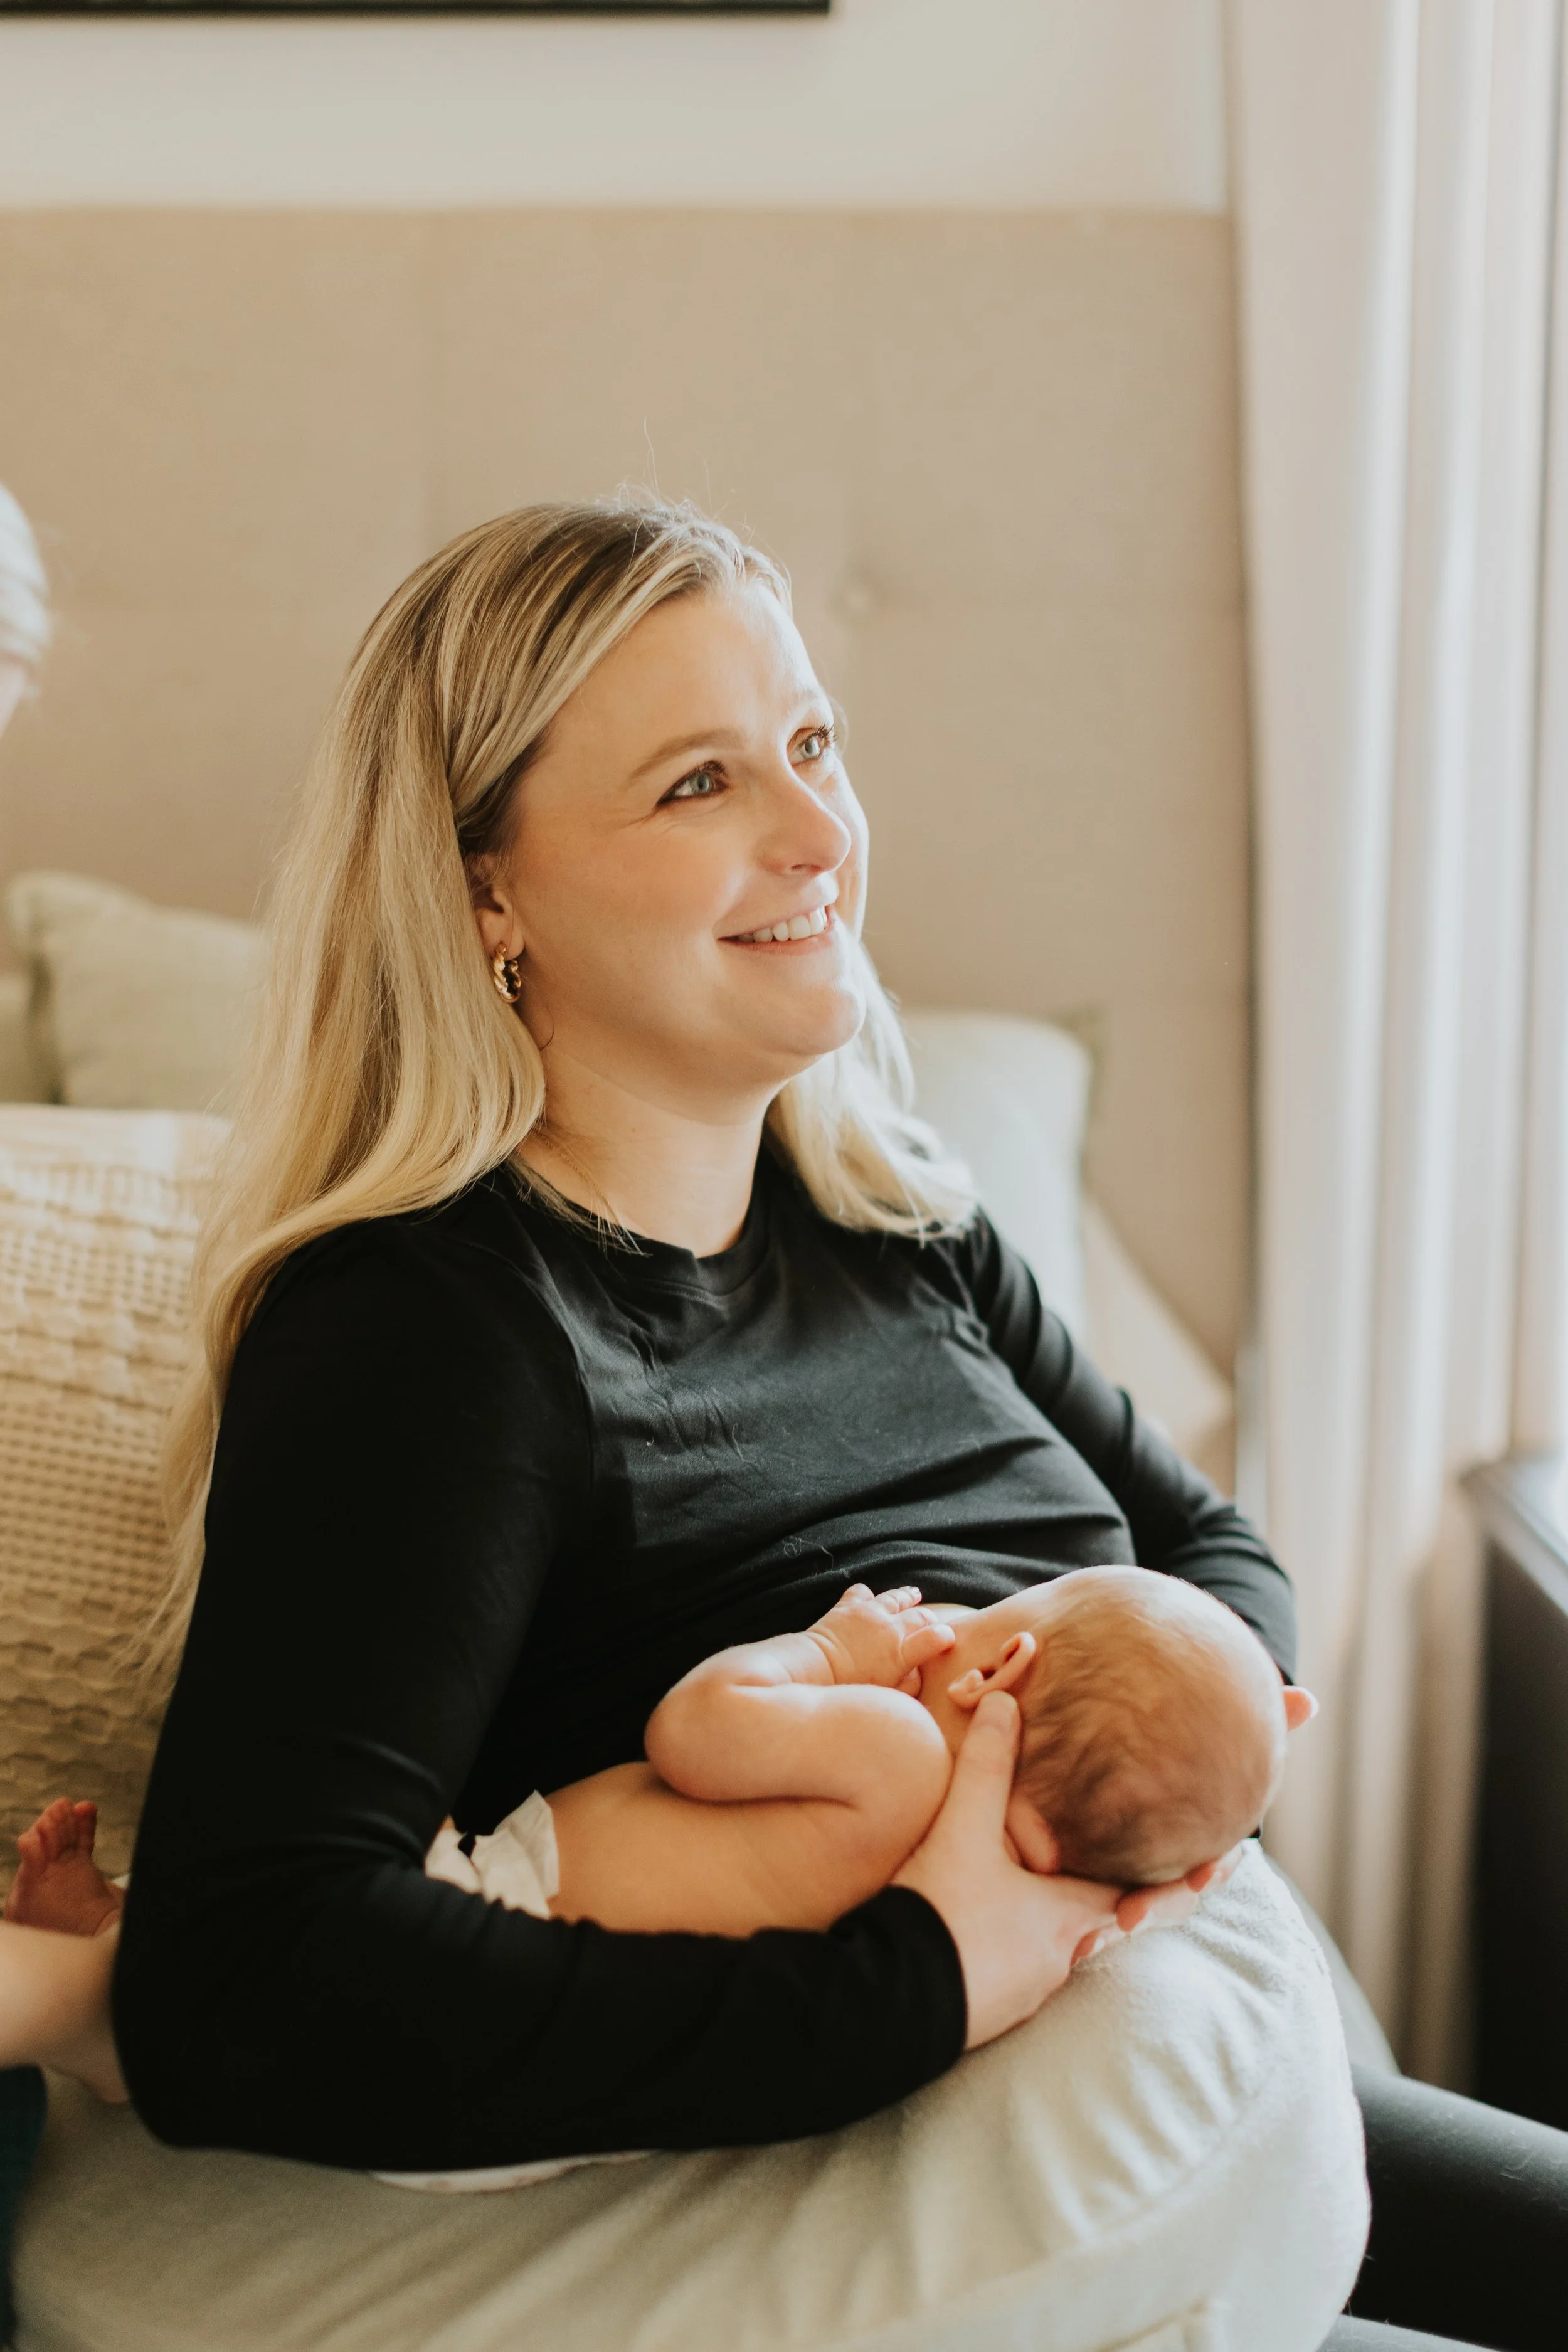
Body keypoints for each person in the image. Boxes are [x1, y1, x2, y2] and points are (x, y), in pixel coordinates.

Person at [2, 491, 1561, 2350]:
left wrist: (1104, 1782)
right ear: (484, 887)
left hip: (1152, 2003)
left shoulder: (899, 1217)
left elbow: (1210, 1554)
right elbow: (254, 1969)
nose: (819, 831)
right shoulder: (433, 1330)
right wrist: (932, 1968)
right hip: (870, 2135)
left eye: (811, 744)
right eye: (697, 782)